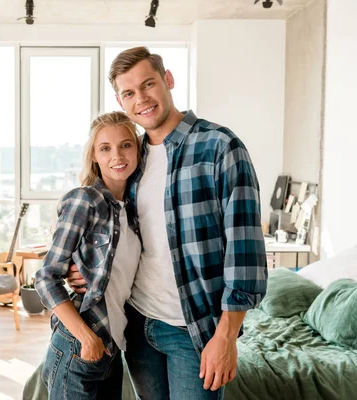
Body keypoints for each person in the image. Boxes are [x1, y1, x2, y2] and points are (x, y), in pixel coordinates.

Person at [66, 46, 268, 399]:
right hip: (138, 323)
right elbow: (114, 234)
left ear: (168, 80)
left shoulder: (220, 146)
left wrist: (227, 335)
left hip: (193, 331)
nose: (141, 99)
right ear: (120, 99)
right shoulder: (132, 156)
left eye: (148, 84)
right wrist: (81, 268)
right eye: (129, 93)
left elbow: (245, 248)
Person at [35, 111, 143, 399]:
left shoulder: (131, 210)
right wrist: (86, 338)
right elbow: (46, 278)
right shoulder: (86, 200)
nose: (117, 155)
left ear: (137, 149)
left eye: (126, 145)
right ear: (94, 156)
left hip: (111, 347)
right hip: (79, 345)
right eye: (105, 148)